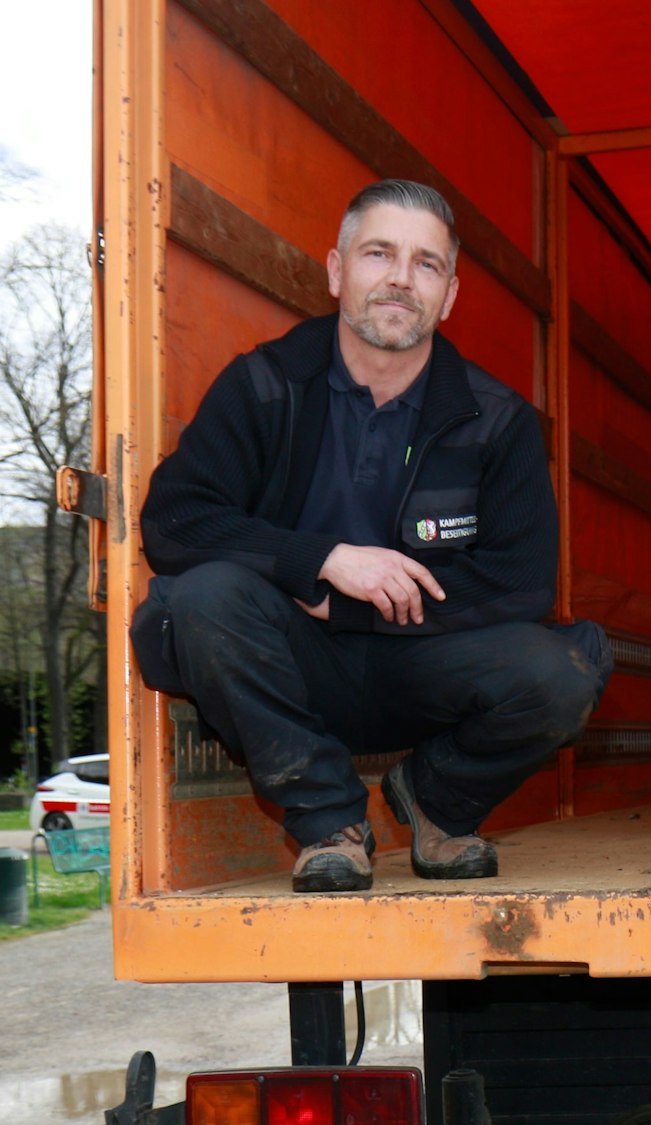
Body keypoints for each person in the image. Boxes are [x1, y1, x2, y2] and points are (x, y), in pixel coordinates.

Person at [131, 180, 613, 893]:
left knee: (564, 671)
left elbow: (522, 581)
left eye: (426, 263)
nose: (400, 278)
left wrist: (358, 607)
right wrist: (321, 560)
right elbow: (176, 519)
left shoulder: (496, 419)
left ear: (449, 294)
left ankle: (438, 800)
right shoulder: (264, 385)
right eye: (378, 253)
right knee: (202, 598)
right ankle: (329, 823)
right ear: (336, 271)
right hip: (287, 662)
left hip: (423, 670)